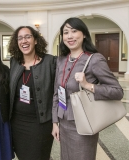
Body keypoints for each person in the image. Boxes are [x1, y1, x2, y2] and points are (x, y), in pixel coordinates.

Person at [51, 17, 124, 160]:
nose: (70, 36)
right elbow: (56, 93)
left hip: (84, 123)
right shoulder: (61, 60)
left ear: (84, 34)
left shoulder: (94, 59)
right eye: (66, 32)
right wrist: (55, 122)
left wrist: (87, 85)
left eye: (74, 31)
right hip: (63, 122)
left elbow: (117, 91)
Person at [8, 26, 56, 160]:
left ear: (35, 40)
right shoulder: (14, 62)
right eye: (20, 38)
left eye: (28, 36)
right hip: (17, 123)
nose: (24, 41)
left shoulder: (50, 62)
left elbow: (58, 92)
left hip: (40, 123)